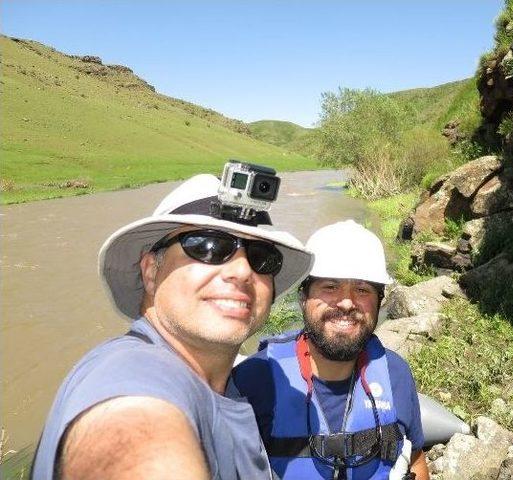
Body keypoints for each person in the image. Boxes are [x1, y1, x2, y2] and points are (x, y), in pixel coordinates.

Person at [31, 173, 313, 480]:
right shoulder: (131, 370)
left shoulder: (224, 391)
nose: (243, 270)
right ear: (151, 271)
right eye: (207, 246)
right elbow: (134, 438)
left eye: (262, 257)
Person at [232, 220, 430, 480]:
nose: (347, 302)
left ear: (380, 302)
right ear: (303, 297)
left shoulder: (395, 373)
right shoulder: (254, 380)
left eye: (362, 289)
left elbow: (415, 459)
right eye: (330, 287)